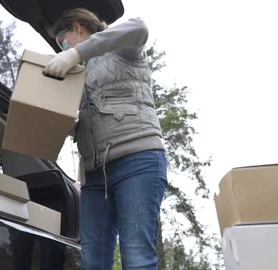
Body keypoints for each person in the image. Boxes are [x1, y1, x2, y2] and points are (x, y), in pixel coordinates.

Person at [43, 8, 168, 270]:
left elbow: (139, 27)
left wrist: (75, 53)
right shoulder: (78, 74)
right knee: (93, 260)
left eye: (62, 40)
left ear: (77, 28)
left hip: (137, 161)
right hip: (95, 175)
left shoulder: (120, 47)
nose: (61, 47)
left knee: (137, 258)